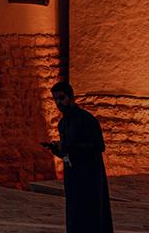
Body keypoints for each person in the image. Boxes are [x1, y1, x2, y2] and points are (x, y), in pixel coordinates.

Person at [42, 81, 113, 232]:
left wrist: (68, 147)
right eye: (55, 99)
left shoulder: (87, 120)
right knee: (75, 217)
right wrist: (57, 150)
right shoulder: (63, 123)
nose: (58, 102)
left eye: (61, 98)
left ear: (71, 97)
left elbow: (98, 146)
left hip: (89, 177)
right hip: (73, 177)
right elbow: (68, 152)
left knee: (91, 218)